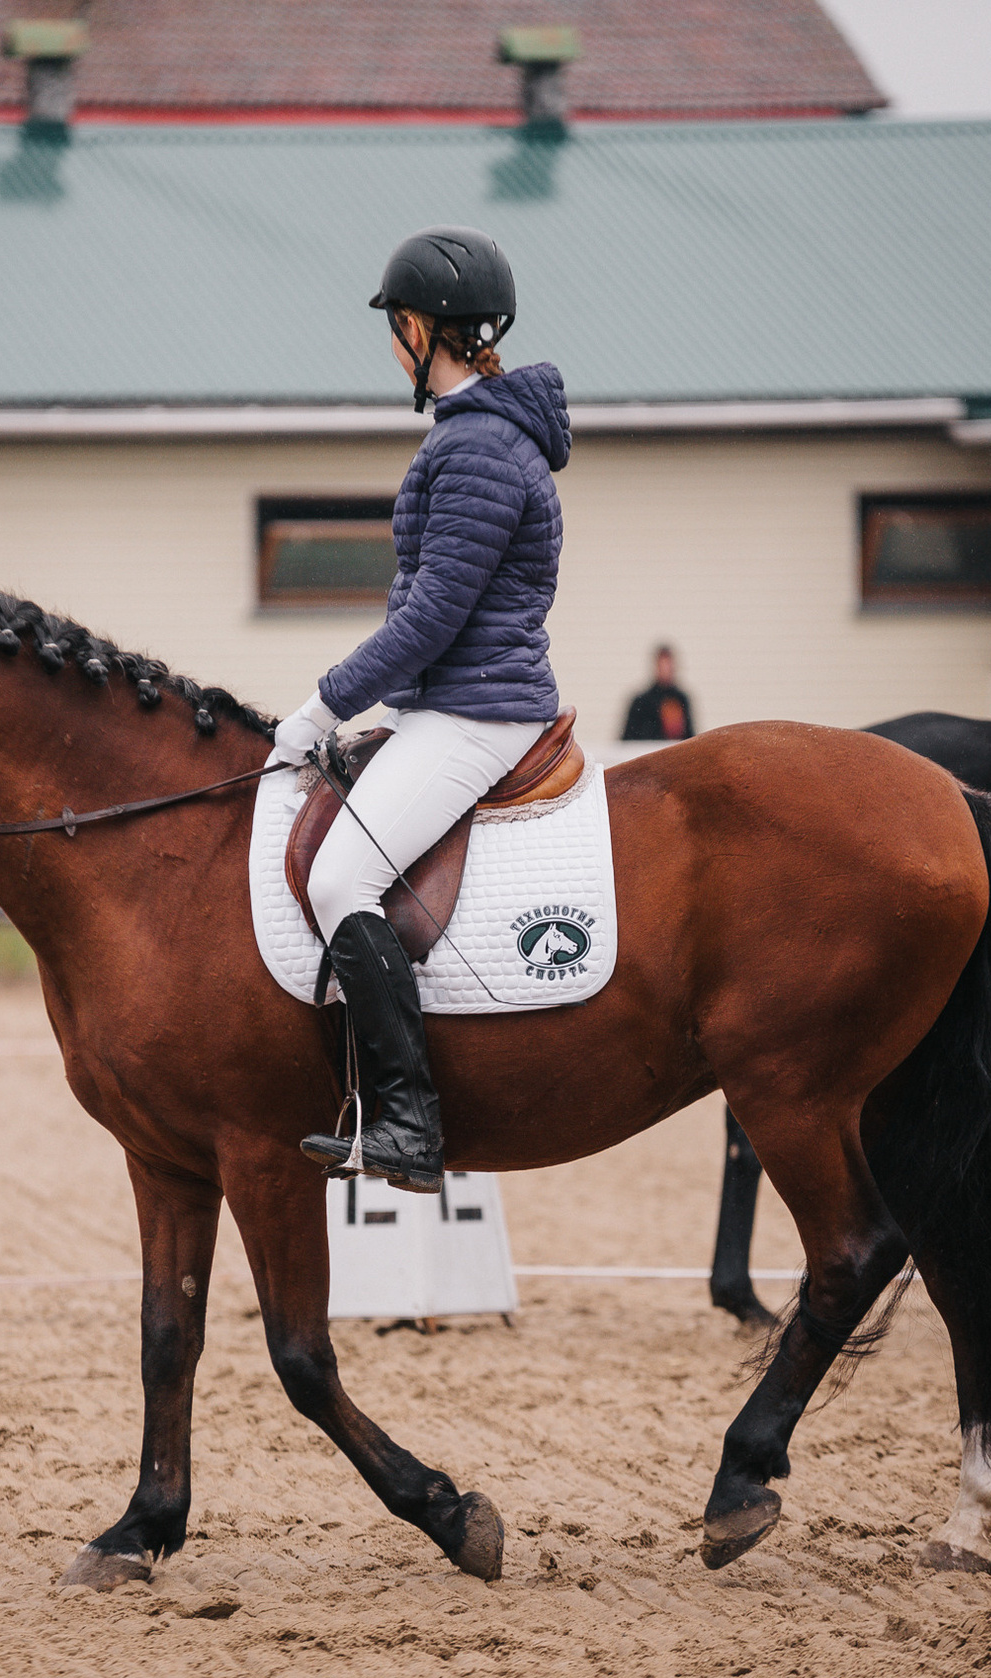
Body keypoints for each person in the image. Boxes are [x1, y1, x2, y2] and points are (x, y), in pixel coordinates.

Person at [267, 225, 569, 1194]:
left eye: (393, 327)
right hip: (452, 701)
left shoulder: (479, 446)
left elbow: (433, 615)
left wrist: (321, 705)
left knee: (338, 877)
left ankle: (406, 1119)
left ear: (417, 328)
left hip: (477, 711)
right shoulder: (471, 435)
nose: (389, 342)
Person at [621, 645, 695, 740]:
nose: (666, 670)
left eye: (668, 666)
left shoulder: (681, 700)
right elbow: (629, 738)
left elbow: (690, 736)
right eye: (662, 666)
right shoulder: (641, 702)